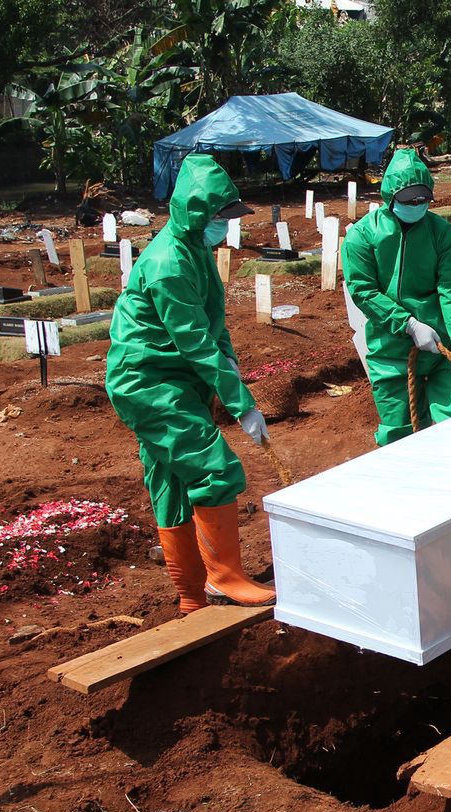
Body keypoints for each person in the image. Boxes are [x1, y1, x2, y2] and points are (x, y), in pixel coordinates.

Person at [105, 153, 275, 614]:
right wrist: (242, 405)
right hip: (148, 382)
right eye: (220, 218)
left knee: (171, 480)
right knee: (213, 467)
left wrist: (234, 377)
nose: (226, 228)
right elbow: (196, 343)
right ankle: (224, 577)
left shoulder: (196, 251)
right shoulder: (169, 265)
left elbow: (215, 329)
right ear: (197, 214)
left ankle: (190, 596)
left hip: (172, 378)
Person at [343, 148, 451, 446]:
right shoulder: (363, 237)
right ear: (391, 197)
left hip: (444, 345)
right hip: (391, 348)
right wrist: (408, 324)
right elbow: (363, 291)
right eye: (409, 200)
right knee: (398, 436)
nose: (417, 205)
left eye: (422, 199)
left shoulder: (441, 234)